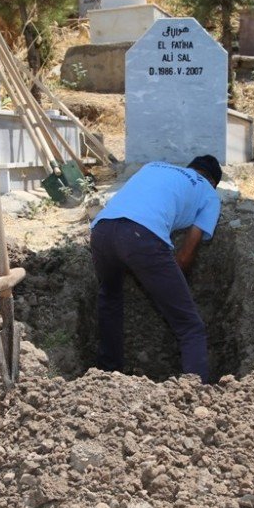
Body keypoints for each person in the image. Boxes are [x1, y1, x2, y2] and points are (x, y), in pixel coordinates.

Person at [90, 156, 223, 383]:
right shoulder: (209, 194)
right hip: (141, 237)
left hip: (101, 230)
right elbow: (186, 252)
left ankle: (107, 375)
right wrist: (173, 285)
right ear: (212, 182)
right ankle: (196, 393)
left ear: (189, 168)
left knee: (110, 300)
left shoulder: (153, 166)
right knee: (190, 326)